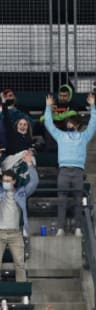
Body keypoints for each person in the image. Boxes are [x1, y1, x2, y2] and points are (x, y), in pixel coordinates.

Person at [44, 92, 96, 237]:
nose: (69, 124)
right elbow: (48, 124)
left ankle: (78, 227)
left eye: (72, 122)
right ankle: (60, 228)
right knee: (62, 200)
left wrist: (93, 106)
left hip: (78, 171)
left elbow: (93, 124)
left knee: (78, 201)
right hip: (64, 171)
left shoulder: (83, 136)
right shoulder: (60, 135)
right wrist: (48, 107)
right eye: (68, 122)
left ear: (77, 124)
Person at [0, 148, 38, 282]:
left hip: (15, 233)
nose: (6, 182)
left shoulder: (21, 193)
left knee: (20, 265)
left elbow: (34, 182)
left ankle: (23, 295)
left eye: (8, 180)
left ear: (14, 181)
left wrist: (29, 165)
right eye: (4, 180)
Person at [0, 91, 36, 185]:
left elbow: (32, 149)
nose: (22, 126)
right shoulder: (12, 134)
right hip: (12, 164)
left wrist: (31, 151)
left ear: (28, 126)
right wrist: (3, 102)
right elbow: (6, 118)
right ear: (17, 125)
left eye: (25, 124)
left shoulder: (29, 138)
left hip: (23, 166)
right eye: (20, 124)